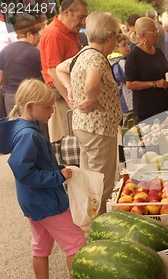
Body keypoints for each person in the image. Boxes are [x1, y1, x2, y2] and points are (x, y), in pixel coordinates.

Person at [0, 79, 89, 279]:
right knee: (75, 243)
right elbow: (25, 172)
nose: (52, 111)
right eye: (47, 107)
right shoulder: (30, 135)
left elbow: (33, 167)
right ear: (30, 107)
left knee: (40, 247)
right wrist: (58, 176)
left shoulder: (20, 129)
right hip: (48, 202)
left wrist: (56, 170)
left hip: (33, 204)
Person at [56, 11, 122, 216]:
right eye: (117, 35)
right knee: (101, 183)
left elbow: (59, 69)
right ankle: (96, 227)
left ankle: (88, 222)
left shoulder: (82, 53)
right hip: (99, 129)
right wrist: (91, 98)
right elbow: (92, 83)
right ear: (110, 36)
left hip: (83, 126)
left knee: (89, 179)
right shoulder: (97, 58)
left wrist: (69, 88)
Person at [39, 0, 88, 143]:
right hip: (63, 99)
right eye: (80, 17)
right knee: (68, 145)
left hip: (69, 95)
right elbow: (53, 71)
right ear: (67, 13)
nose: (83, 22)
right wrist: (70, 100)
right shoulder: (54, 33)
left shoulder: (69, 31)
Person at [125, 17, 168, 123]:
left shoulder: (158, 52)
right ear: (143, 35)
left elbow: (164, 73)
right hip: (147, 111)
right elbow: (130, 84)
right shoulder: (134, 56)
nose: (157, 33)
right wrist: (154, 84)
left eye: (157, 30)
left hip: (164, 107)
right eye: (153, 31)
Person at [0, 17, 42, 121]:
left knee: (13, 128)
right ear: (29, 34)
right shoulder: (36, 53)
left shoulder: (4, 51)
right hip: (32, 97)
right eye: (37, 34)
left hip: (10, 97)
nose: (38, 38)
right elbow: (45, 76)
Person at [107, 34, 133, 123]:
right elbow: (128, 78)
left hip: (118, 98)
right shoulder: (121, 62)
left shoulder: (110, 60)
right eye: (124, 45)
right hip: (126, 99)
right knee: (129, 123)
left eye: (128, 44)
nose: (128, 47)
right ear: (116, 48)